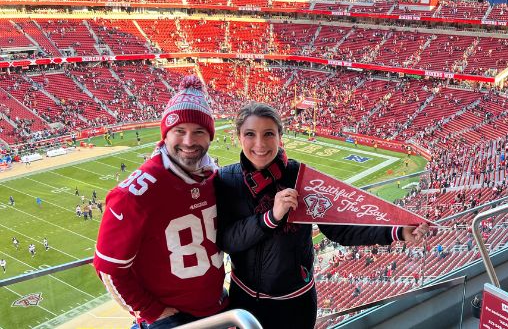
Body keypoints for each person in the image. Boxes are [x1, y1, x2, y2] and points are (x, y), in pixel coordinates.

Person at [216, 102, 429, 329]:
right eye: (250, 134)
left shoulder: (300, 176)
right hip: (245, 303)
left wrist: (396, 231)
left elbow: (341, 228)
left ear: (280, 136)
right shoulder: (227, 180)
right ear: (238, 137)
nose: (260, 143)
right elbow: (228, 241)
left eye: (268, 134)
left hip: (296, 303)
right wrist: (271, 217)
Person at [93, 76, 227, 328]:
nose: (189, 142)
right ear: (165, 134)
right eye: (179, 131)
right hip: (174, 319)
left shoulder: (212, 177)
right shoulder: (133, 194)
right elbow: (108, 268)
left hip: (217, 304)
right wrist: (152, 311)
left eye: (199, 132)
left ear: (209, 137)